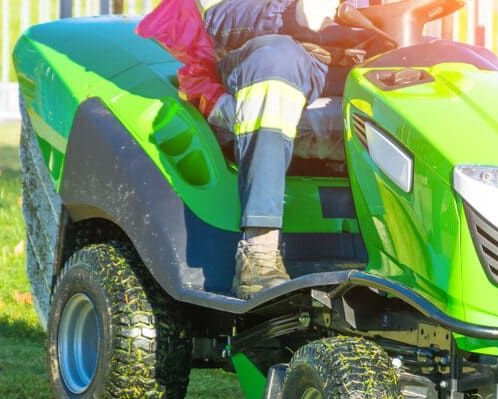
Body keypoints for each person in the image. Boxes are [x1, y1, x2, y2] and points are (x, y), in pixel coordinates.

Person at [139, 0, 368, 299]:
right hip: (266, 59)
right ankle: (259, 253)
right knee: (275, 64)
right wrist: (290, 12)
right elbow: (215, 16)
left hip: (352, 61)